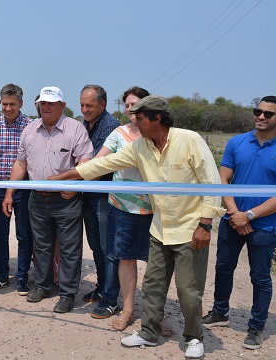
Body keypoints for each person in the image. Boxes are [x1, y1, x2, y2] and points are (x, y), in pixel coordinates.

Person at [53, 95, 225, 359]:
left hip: (190, 230)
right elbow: (102, 164)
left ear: (157, 118)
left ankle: (193, 337)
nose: (134, 121)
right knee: (154, 285)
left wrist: (205, 224)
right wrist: (62, 179)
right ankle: (148, 333)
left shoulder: (190, 140)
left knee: (188, 289)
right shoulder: (140, 147)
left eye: (139, 117)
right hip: (160, 229)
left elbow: (211, 184)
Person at [3, 86, 93, 313]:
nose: (46, 107)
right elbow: (21, 163)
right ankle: (43, 285)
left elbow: (86, 162)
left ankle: (68, 293)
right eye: (43, 103)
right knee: (41, 246)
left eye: (51, 103)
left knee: (69, 248)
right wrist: (9, 193)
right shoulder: (30, 130)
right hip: (37, 199)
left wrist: (75, 186)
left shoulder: (75, 129)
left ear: (62, 106)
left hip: (66, 200)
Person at [202, 95, 276, 350]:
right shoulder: (237, 142)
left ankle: (256, 327)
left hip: (264, 226)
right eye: (258, 111)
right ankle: (219, 312)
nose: (261, 117)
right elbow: (223, 181)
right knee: (223, 268)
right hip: (232, 221)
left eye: (268, 114)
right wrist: (235, 215)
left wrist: (250, 215)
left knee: (260, 277)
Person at [92, 86, 152, 331]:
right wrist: (80, 170)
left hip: (155, 207)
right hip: (121, 206)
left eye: (135, 104)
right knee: (125, 258)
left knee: (157, 263)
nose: (130, 109)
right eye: (127, 105)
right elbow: (101, 161)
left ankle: (153, 312)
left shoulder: (158, 134)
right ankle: (127, 310)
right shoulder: (118, 134)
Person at [0, 84, 33, 295]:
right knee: (0, 235)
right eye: (5, 104)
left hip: (24, 188)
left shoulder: (31, 127)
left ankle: (22, 278)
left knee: (24, 235)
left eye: (13, 104)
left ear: (21, 104)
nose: (8, 108)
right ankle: (1, 276)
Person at [79, 85, 121, 319]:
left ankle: (110, 298)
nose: (84, 109)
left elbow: (95, 164)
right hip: (89, 194)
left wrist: (67, 175)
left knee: (107, 248)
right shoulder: (86, 124)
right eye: (82, 105)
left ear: (102, 105)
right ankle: (102, 286)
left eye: (90, 106)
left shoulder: (110, 126)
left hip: (105, 196)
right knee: (95, 245)